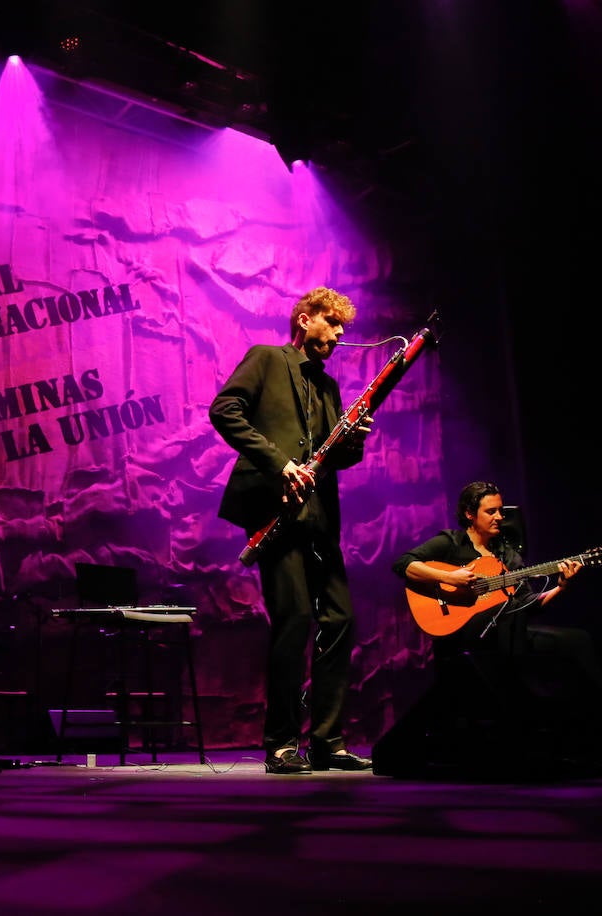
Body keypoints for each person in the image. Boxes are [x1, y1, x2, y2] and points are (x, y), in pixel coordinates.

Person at [209, 286, 375, 774]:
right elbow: (225, 410)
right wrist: (279, 463)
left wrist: (355, 441)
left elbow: (334, 457)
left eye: (344, 326)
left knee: (340, 620)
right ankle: (281, 741)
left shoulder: (327, 386)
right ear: (305, 320)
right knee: (296, 619)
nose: (342, 334)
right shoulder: (265, 358)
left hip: (320, 517)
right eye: (333, 323)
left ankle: (326, 740)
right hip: (274, 513)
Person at [391, 480, 602, 756]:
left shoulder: (507, 554)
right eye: (490, 511)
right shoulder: (451, 543)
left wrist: (561, 587)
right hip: (468, 632)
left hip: (510, 631)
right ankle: (525, 730)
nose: (499, 517)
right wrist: (450, 577)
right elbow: (403, 564)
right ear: (470, 514)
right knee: (513, 623)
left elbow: (528, 605)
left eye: (500, 511)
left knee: (577, 641)